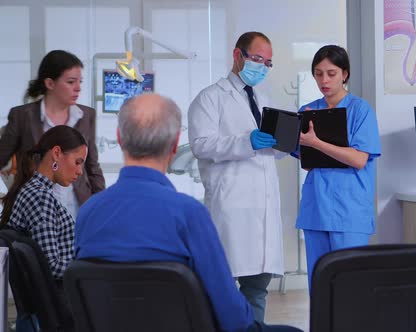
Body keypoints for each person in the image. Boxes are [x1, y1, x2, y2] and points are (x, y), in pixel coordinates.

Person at [75, 94, 300, 332]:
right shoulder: (189, 215)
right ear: (174, 146)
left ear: (120, 139)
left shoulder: (88, 212)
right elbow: (233, 317)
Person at [188, 31, 283, 322]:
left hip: (263, 208)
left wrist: (282, 144)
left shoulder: (263, 100)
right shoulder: (210, 98)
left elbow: (268, 154)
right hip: (232, 206)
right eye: (257, 59)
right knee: (225, 288)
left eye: (268, 63)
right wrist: (246, 142)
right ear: (237, 55)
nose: (262, 67)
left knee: (257, 288)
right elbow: (201, 145)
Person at [296, 45, 382, 290]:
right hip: (316, 210)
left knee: (350, 288)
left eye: (331, 73)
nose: (324, 80)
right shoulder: (307, 112)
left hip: (349, 212)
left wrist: (316, 142)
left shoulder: (360, 110)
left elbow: (358, 159)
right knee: (319, 287)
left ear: (345, 74)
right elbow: (306, 161)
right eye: (318, 73)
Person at [1, 125, 88, 332]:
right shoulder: (41, 198)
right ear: (56, 153)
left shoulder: (34, 192)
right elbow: (51, 265)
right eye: (77, 162)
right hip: (56, 311)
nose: (80, 171)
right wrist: (90, 265)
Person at [0, 50, 105, 219]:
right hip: (34, 208)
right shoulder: (22, 116)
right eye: (71, 82)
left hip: (77, 208)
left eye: (80, 81)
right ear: (50, 83)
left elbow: (92, 167)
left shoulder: (86, 116)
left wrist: (102, 205)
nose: (78, 88)